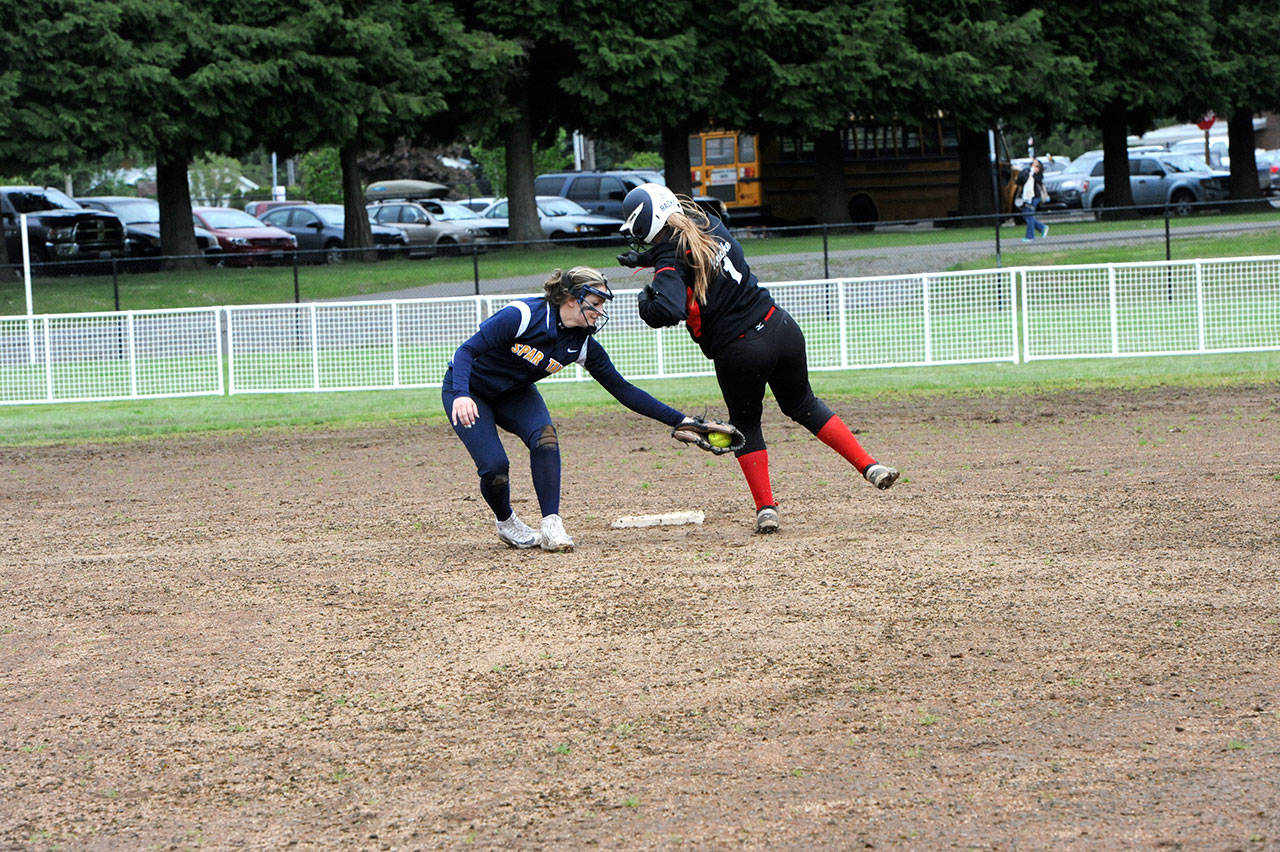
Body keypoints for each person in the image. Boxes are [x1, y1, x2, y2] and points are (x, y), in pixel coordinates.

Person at [616, 183, 899, 534]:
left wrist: (645, 300)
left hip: (740, 350)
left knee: (747, 426)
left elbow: (668, 309)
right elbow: (688, 251)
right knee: (804, 404)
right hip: (780, 327)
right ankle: (869, 466)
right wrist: (647, 261)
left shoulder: (669, 262)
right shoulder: (708, 221)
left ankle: (767, 508)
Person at [443, 266, 696, 552]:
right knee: (495, 467)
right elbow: (466, 351)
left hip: (514, 393)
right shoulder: (524, 315)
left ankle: (551, 525)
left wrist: (680, 421)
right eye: (596, 303)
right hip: (468, 388)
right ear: (572, 298)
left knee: (545, 437)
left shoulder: (581, 342)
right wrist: (462, 394)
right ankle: (506, 522)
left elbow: (623, 390)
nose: (600, 311)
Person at [1017, 159, 1050, 242]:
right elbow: (1020, 180)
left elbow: (1037, 181)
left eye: (1037, 165)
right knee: (1026, 215)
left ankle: (1030, 236)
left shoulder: (1037, 175)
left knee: (1029, 215)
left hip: (1034, 197)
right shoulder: (1027, 172)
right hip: (1026, 197)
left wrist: (1033, 173)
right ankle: (1042, 227)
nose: (1034, 166)